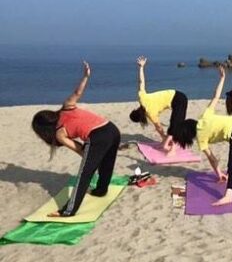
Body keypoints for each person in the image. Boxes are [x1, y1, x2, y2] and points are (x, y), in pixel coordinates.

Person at [31, 61, 121, 217]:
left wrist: (91, 159)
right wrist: (86, 76)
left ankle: (68, 210)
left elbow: (79, 148)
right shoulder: (67, 106)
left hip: (99, 136)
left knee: (84, 175)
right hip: (113, 129)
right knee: (107, 163)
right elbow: (78, 92)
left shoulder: (59, 133)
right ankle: (101, 190)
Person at [171, 65, 232, 206]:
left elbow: (212, 159)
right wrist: (222, 78)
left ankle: (228, 195)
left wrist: (218, 172)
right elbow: (216, 95)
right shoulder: (204, 116)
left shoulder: (201, 139)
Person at [129, 56, 188, 153]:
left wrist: (164, 137)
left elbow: (159, 127)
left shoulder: (150, 114)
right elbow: (141, 82)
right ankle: (167, 142)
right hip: (176, 95)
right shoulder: (142, 98)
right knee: (173, 125)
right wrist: (141, 67)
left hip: (179, 99)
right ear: (136, 109)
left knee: (175, 125)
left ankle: (172, 149)